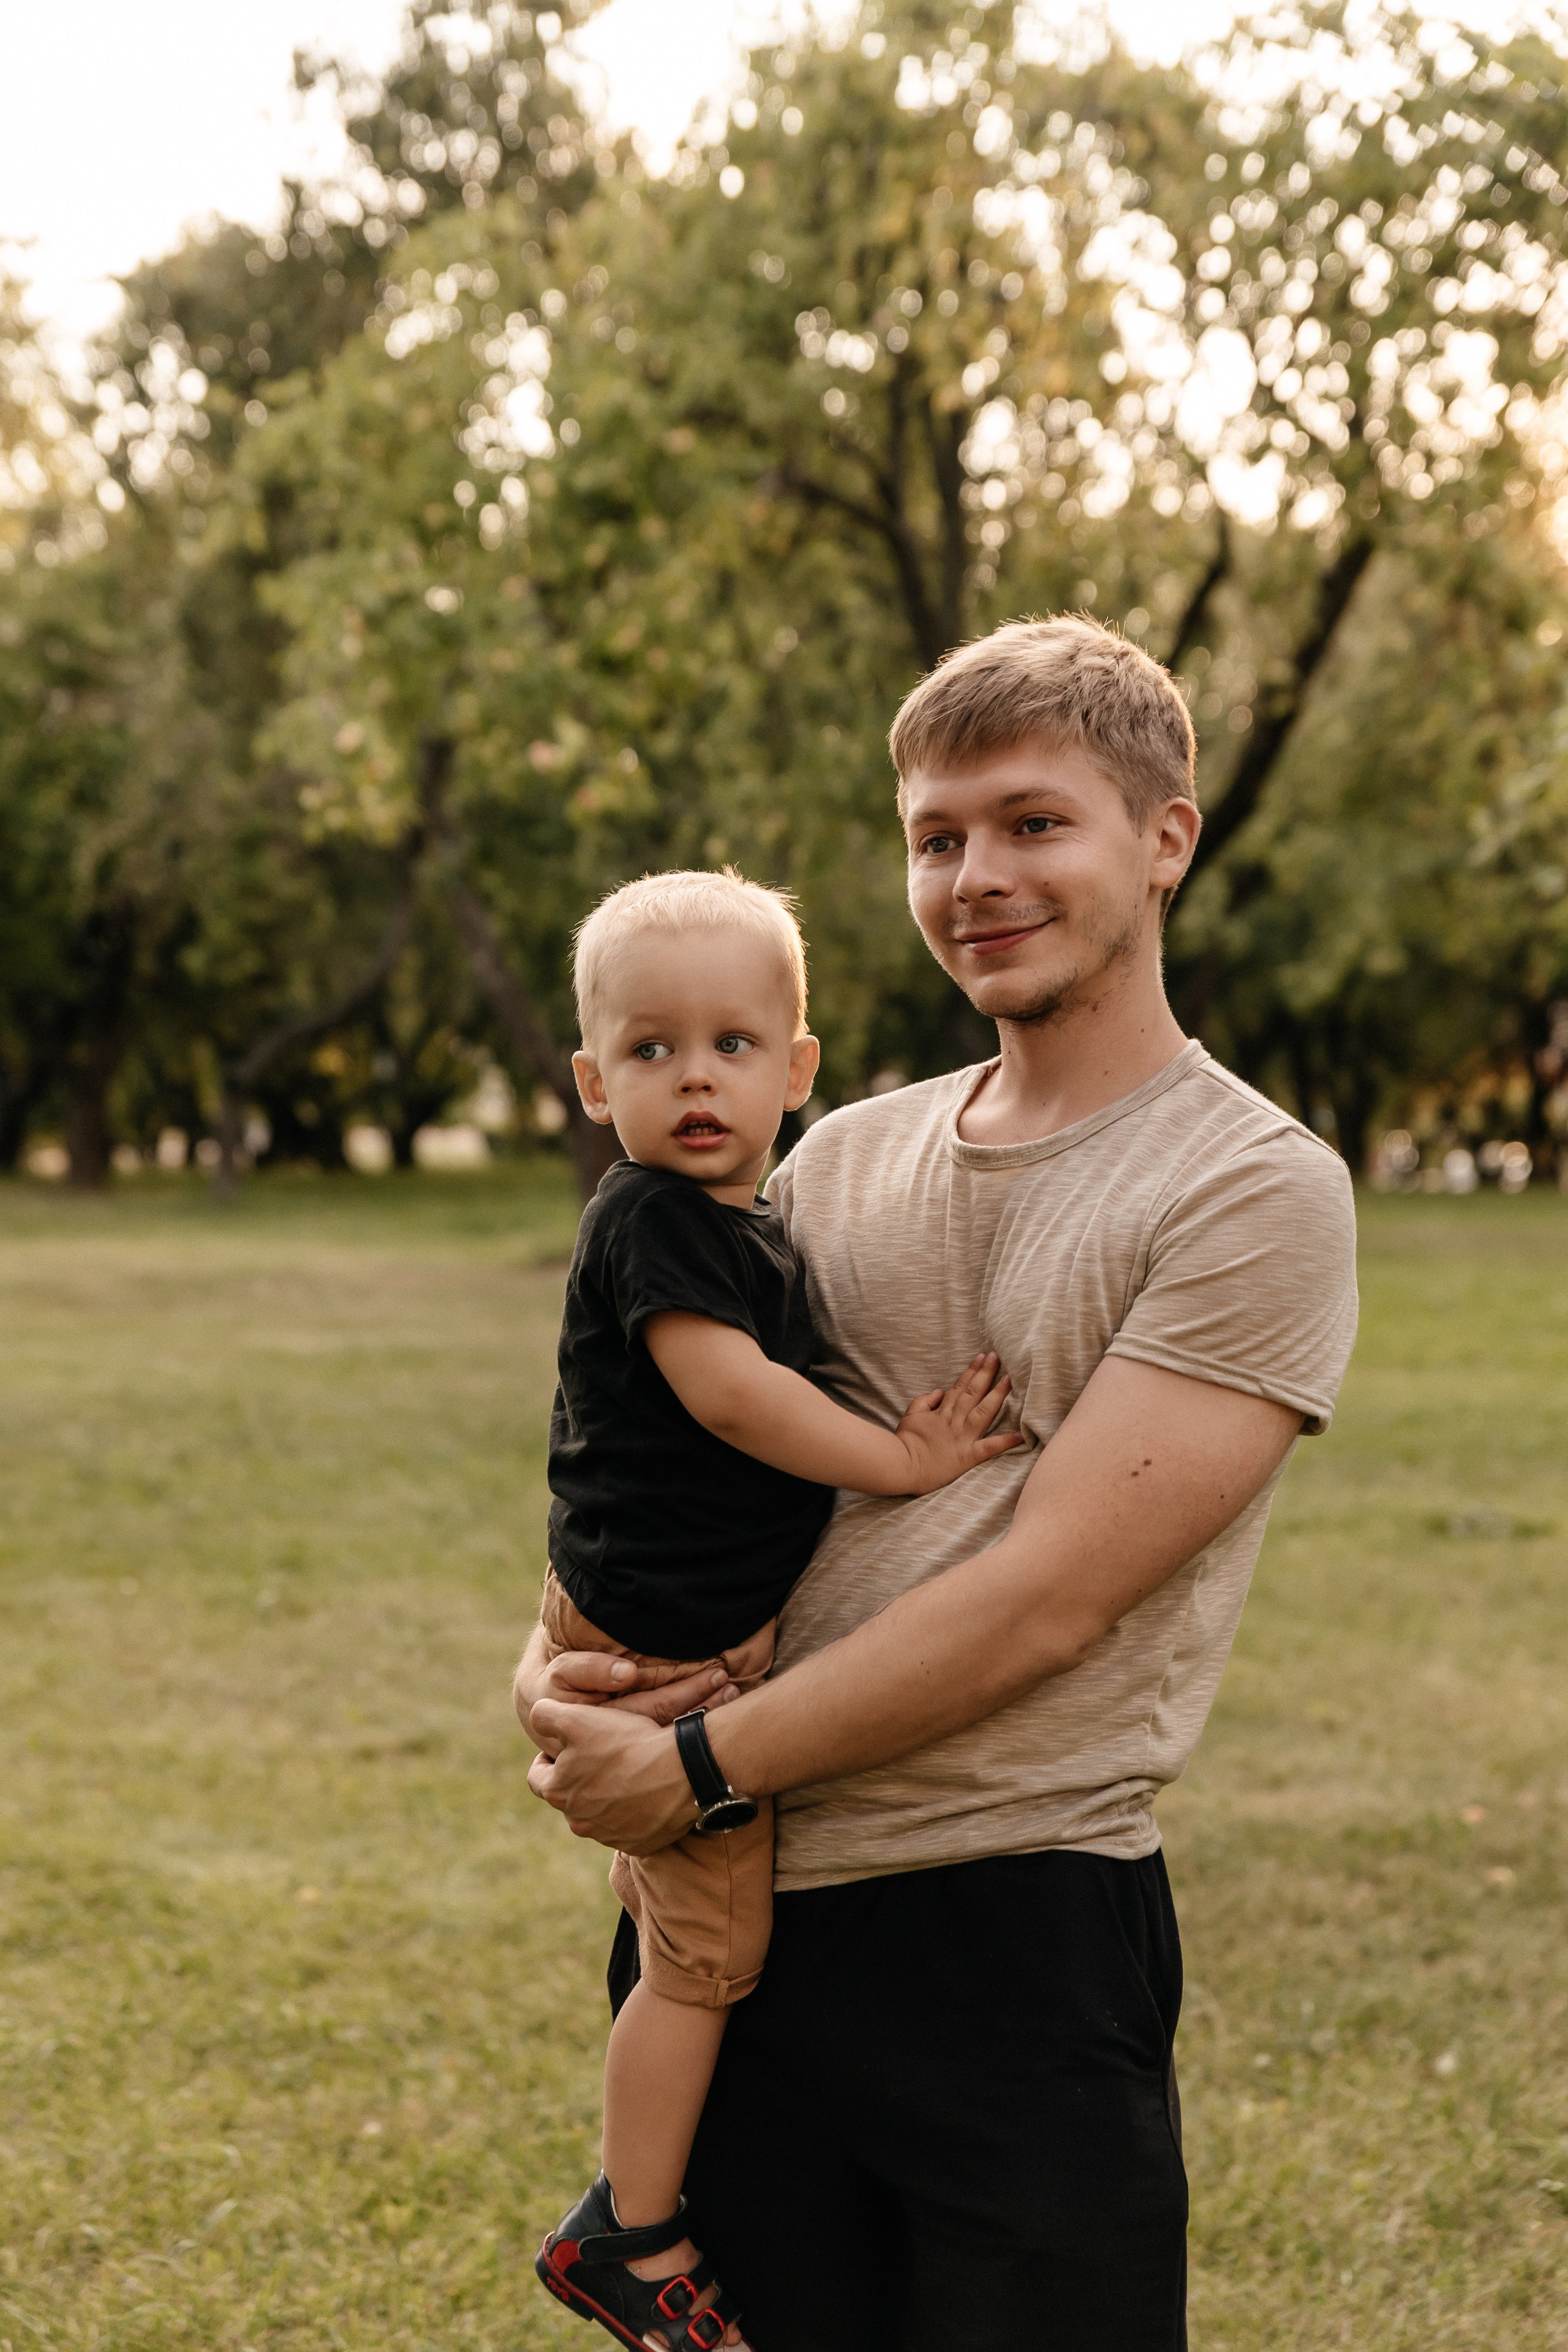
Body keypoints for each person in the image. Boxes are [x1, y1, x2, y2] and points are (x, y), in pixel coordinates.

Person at [518, 616, 1359, 2352]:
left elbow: (1053, 1595)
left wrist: (685, 1762)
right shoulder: (835, 1157)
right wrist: (552, 1671)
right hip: (745, 1909)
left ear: (1166, 838)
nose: (977, 874)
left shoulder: (1251, 1188)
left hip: (1011, 1927)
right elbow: (656, 1446)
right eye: (936, 836)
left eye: (1034, 822)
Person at [530, 868, 1022, 2352]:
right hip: (669, 1661)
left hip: (649, 1618)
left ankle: (639, 2199)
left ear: (797, 1067)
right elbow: (734, 1402)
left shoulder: (734, 1220)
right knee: (705, 1956)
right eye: (651, 1050)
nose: (694, 1077)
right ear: (589, 1080)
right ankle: (630, 2229)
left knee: (676, 1923)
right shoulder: (659, 1225)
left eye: (734, 1046)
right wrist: (904, 1460)